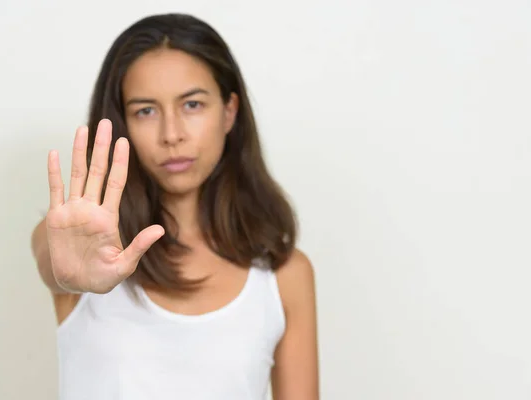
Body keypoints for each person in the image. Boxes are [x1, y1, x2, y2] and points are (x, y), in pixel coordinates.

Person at [30, 13, 319, 400]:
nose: (172, 134)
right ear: (123, 123)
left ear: (229, 111)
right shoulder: (81, 245)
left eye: (193, 104)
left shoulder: (284, 275)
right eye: (145, 111)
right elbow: (56, 266)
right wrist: (67, 274)